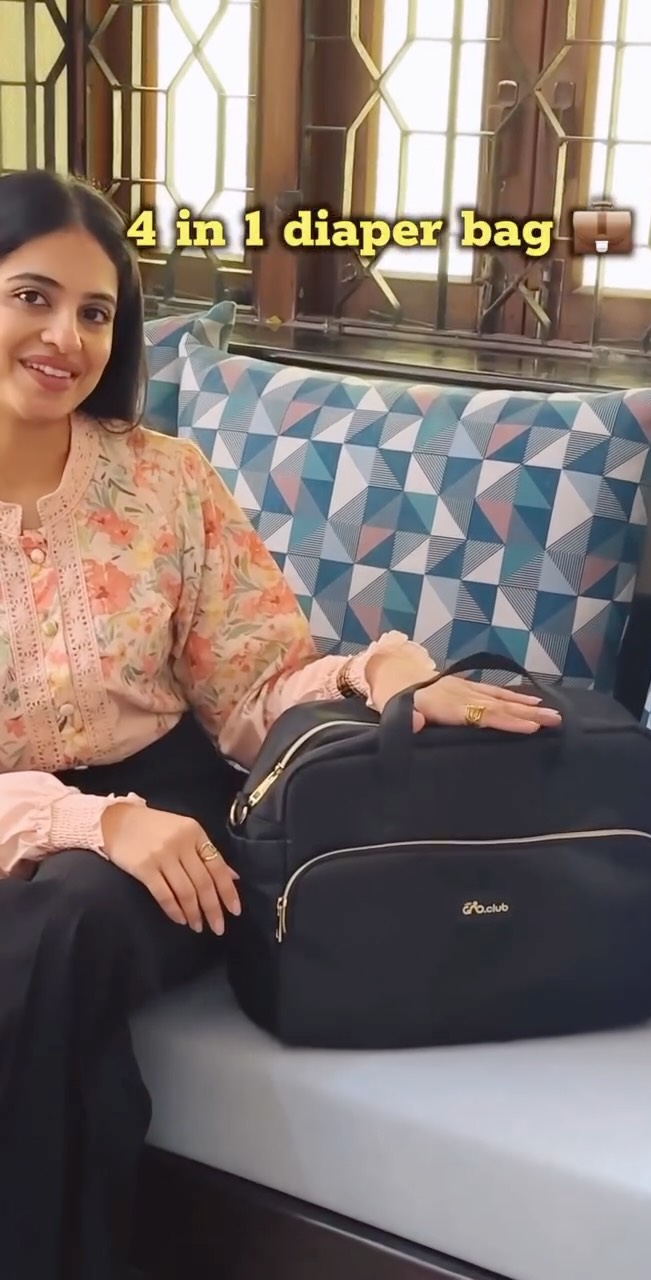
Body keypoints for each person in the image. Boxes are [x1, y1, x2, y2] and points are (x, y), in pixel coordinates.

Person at [0, 168, 562, 1280]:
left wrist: (381, 680)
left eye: (97, 311)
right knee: (53, 944)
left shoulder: (164, 481)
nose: (67, 337)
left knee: (65, 921)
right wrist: (87, 821)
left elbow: (253, 685)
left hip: (172, 821)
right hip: (42, 825)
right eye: (32, 297)